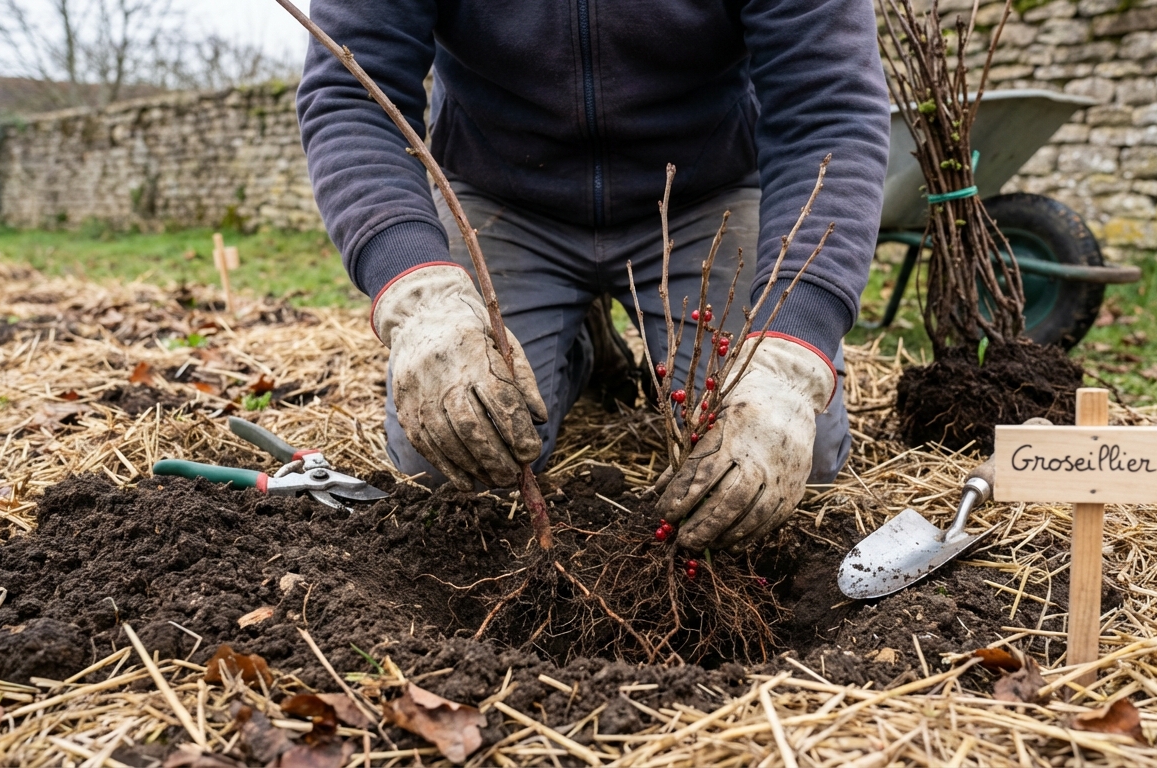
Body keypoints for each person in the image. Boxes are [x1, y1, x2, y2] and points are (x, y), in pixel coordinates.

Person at [297, 0, 889, 550]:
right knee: (449, 460)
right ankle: (573, 347)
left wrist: (792, 353)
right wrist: (418, 294)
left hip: (702, 194)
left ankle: (565, 329)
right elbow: (351, 92)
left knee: (773, 469)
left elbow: (829, 108)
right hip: (503, 193)